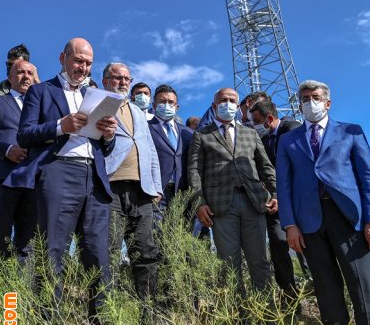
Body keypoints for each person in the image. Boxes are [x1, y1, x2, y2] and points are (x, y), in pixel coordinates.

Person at [5, 38, 117, 325]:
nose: (83, 67)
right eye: (78, 60)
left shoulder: (97, 95)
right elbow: (25, 134)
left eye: (88, 63)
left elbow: (104, 148)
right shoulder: (41, 91)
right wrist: (60, 126)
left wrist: (108, 135)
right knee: (53, 252)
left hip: (94, 177)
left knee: (98, 255)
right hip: (58, 173)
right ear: (62, 58)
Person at [276, 80, 370, 325]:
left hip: (349, 219)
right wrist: (290, 225)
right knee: (326, 290)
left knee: (363, 287)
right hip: (309, 223)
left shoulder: (350, 131)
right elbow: (283, 185)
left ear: (327, 102)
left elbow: (368, 178)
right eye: (304, 98)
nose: (310, 102)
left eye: (315, 97)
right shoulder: (288, 140)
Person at [189, 88, 276, 291]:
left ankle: (265, 308)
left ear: (238, 106)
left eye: (232, 100)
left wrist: (275, 193)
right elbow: (194, 171)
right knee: (228, 264)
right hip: (221, 206)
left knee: (260, 260)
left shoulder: (250, 133)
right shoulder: (202, 135)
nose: (227, 104)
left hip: (253, 201)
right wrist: (199, 203)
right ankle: (237, 310)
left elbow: (265, 167)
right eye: (223, 100)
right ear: (214, 106)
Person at [103, 63, 162, 301]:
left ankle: (148, 308)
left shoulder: (138, 111)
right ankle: (107, 311)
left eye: (127, 78)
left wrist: (156, 185)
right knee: (109, 251)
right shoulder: (99, 104)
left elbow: (150, 149)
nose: (123, 82)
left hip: (142, 191)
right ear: (105, 81)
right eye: (117, 77)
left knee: (146, 251)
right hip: (111, 188)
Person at [250, 99, 304, 303]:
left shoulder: (292, 130)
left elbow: (297, 168)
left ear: (270, 118)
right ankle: (290, 298)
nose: (253, 126)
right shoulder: (263, 141)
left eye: (256, 121)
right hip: (275, 205)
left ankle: (318, 290)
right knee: (278, 247)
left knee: (308, 247)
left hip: (298, 203)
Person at [0, 59, 37, 260]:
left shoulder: (40, 108)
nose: (26, 77)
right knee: (0, 239)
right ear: (10, 77)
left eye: (30, 73)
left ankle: (22, 281)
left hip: (33, 181)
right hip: (3, 178)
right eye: (21, 72)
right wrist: (7, 150)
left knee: (29, 244)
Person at [148, 84, 194, 216]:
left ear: (176, 107)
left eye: (170, 102)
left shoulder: (188, 132)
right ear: (154, 105)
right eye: (162, 102)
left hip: (183, 194)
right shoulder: (145, 128)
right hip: (156, 194)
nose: (166, 105)